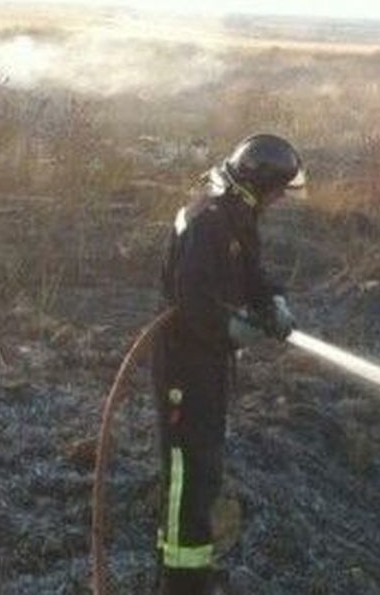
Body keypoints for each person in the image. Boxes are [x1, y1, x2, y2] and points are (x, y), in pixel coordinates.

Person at [150, 133, 304, 594]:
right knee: (185, 473)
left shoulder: (236, 215)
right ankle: (180, 583)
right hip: (184, 365)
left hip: (209, 364)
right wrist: (234, 329)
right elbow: (195, 301)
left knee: (205, 468)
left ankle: (189, 571)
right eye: (277, 190)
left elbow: (250, 275)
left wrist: (273, 300)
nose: (279, 200)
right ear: (260, 183)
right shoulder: (207, 219)